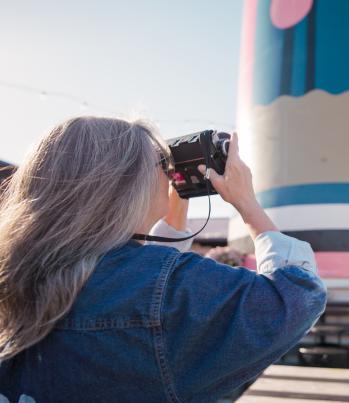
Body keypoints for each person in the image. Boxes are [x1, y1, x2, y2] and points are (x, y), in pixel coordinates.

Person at [0, 117, 327, 402]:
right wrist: (247, 204)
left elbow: (128, 282)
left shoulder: (16, 273)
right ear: (128, 187)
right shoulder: (164, 290)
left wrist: (172, 219)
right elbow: (296, 296)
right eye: (159, 166)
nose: (166, 176)